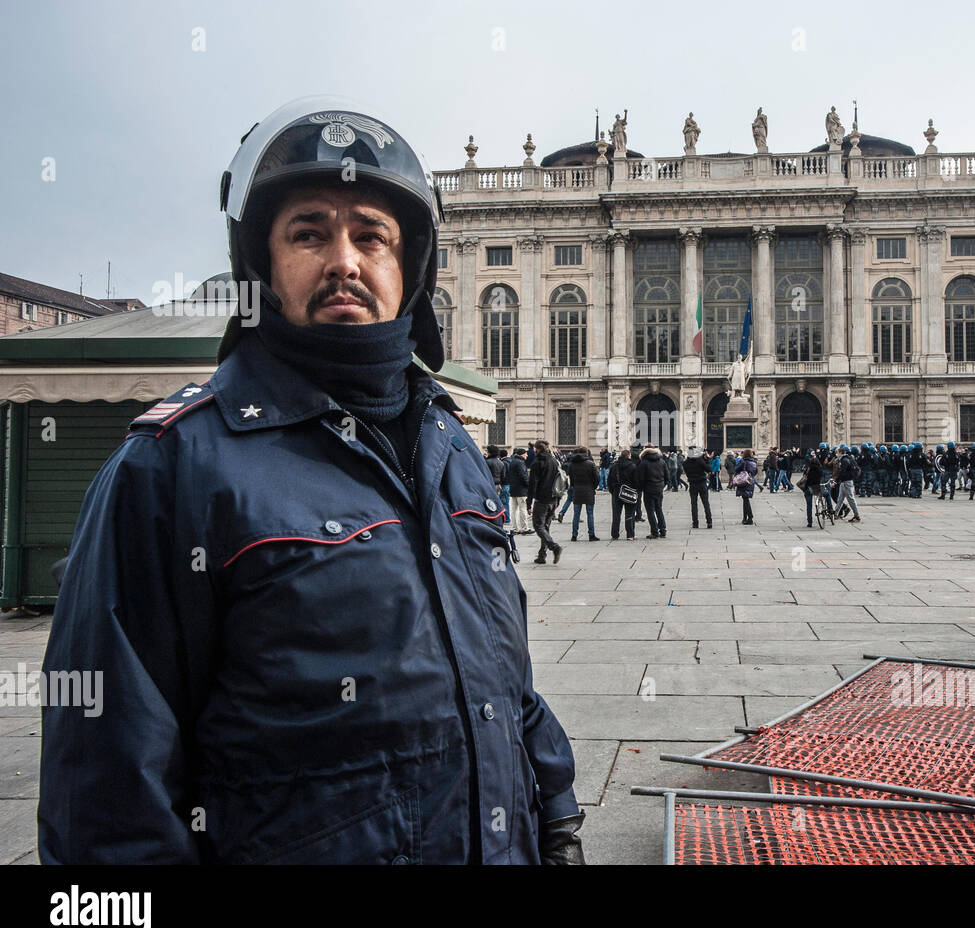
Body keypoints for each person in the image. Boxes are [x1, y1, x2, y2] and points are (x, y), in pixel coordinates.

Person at [38, 98, 582, 865]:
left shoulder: (452, 443)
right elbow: (103, 802)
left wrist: (555, 817)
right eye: (309, 232)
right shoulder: (168, 468)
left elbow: (503, 677)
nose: (345, 261)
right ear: (260, 263)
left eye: (371, 235)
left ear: (409, 266)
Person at [527, 439, 563, 565]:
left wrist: (529, 502)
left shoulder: (537, 462)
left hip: (541, 499)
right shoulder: (554, 461)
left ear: (536, 449)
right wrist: (558, 499)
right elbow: (560, 481)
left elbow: (532, 484)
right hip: (553, 499)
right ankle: (542, 555)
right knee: (545, 527)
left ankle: (554, 546)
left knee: (538, 526)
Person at [567, 446, 600, 541]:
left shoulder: (572, 464)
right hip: (589, 490)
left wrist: (574, 485)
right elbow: (597, 478)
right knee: (590, 513)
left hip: (577, 490)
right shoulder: (590, 464)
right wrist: (593, 487)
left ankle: (574, 535)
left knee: (576, 514)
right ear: (586, 453)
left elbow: (571, 478)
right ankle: (591, 534)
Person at [637, 444, 669, 538]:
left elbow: (640, 478)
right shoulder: (662, 461)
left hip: (648, 490)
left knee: (650, 511)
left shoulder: (643, 463)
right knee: (659, 509)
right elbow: (667, 476)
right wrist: (662, 485)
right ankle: (663, 531)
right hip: (659, 489)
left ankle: (655, 532)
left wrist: (642, 488)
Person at [609, 448, 637, 540]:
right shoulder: (633, 466)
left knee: (616, 514)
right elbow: (636, 481)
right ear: (629, 456)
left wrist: (613, 491)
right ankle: (630, 534)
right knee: (630, 513)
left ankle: (615, 534)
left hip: (617, 492)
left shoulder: (614, 466)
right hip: (629, 493)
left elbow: (609, 481)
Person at [683, 445, 713, 528]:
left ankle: (695, 523)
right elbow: (709, 469)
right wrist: (707, 460)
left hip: (692, 484)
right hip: (702, 483)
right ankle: (709, 522)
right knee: (706, 503)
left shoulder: (685, 463)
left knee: (694, 504)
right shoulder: (700, 461)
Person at [506, 446, 532, 534]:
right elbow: (523, 476)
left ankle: (515, 528)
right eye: (526, 454)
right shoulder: (520, 463)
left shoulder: (512, 462)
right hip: (521, 489)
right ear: (522, 454)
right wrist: (528, 485)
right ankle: (525, 528)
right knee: (522, 509)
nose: (527, 456)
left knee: (514, 510)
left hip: (513, 489)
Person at [734, 448, 759, 524]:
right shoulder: (754, 462)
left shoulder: (743, 461)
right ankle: (745, 518)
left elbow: (736, 469)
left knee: (745, 499)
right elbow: (756, 472)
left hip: (744, 482)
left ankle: (750, 517)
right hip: (750, 481)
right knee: (745, 499)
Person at [802, 451, 824, 527]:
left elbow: (806, 479)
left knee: (809, 505)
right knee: (827, 495)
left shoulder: (808, 470)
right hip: (817, 488)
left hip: (809, 488)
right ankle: (830, 509)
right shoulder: (820, 470)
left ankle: (810, 522)